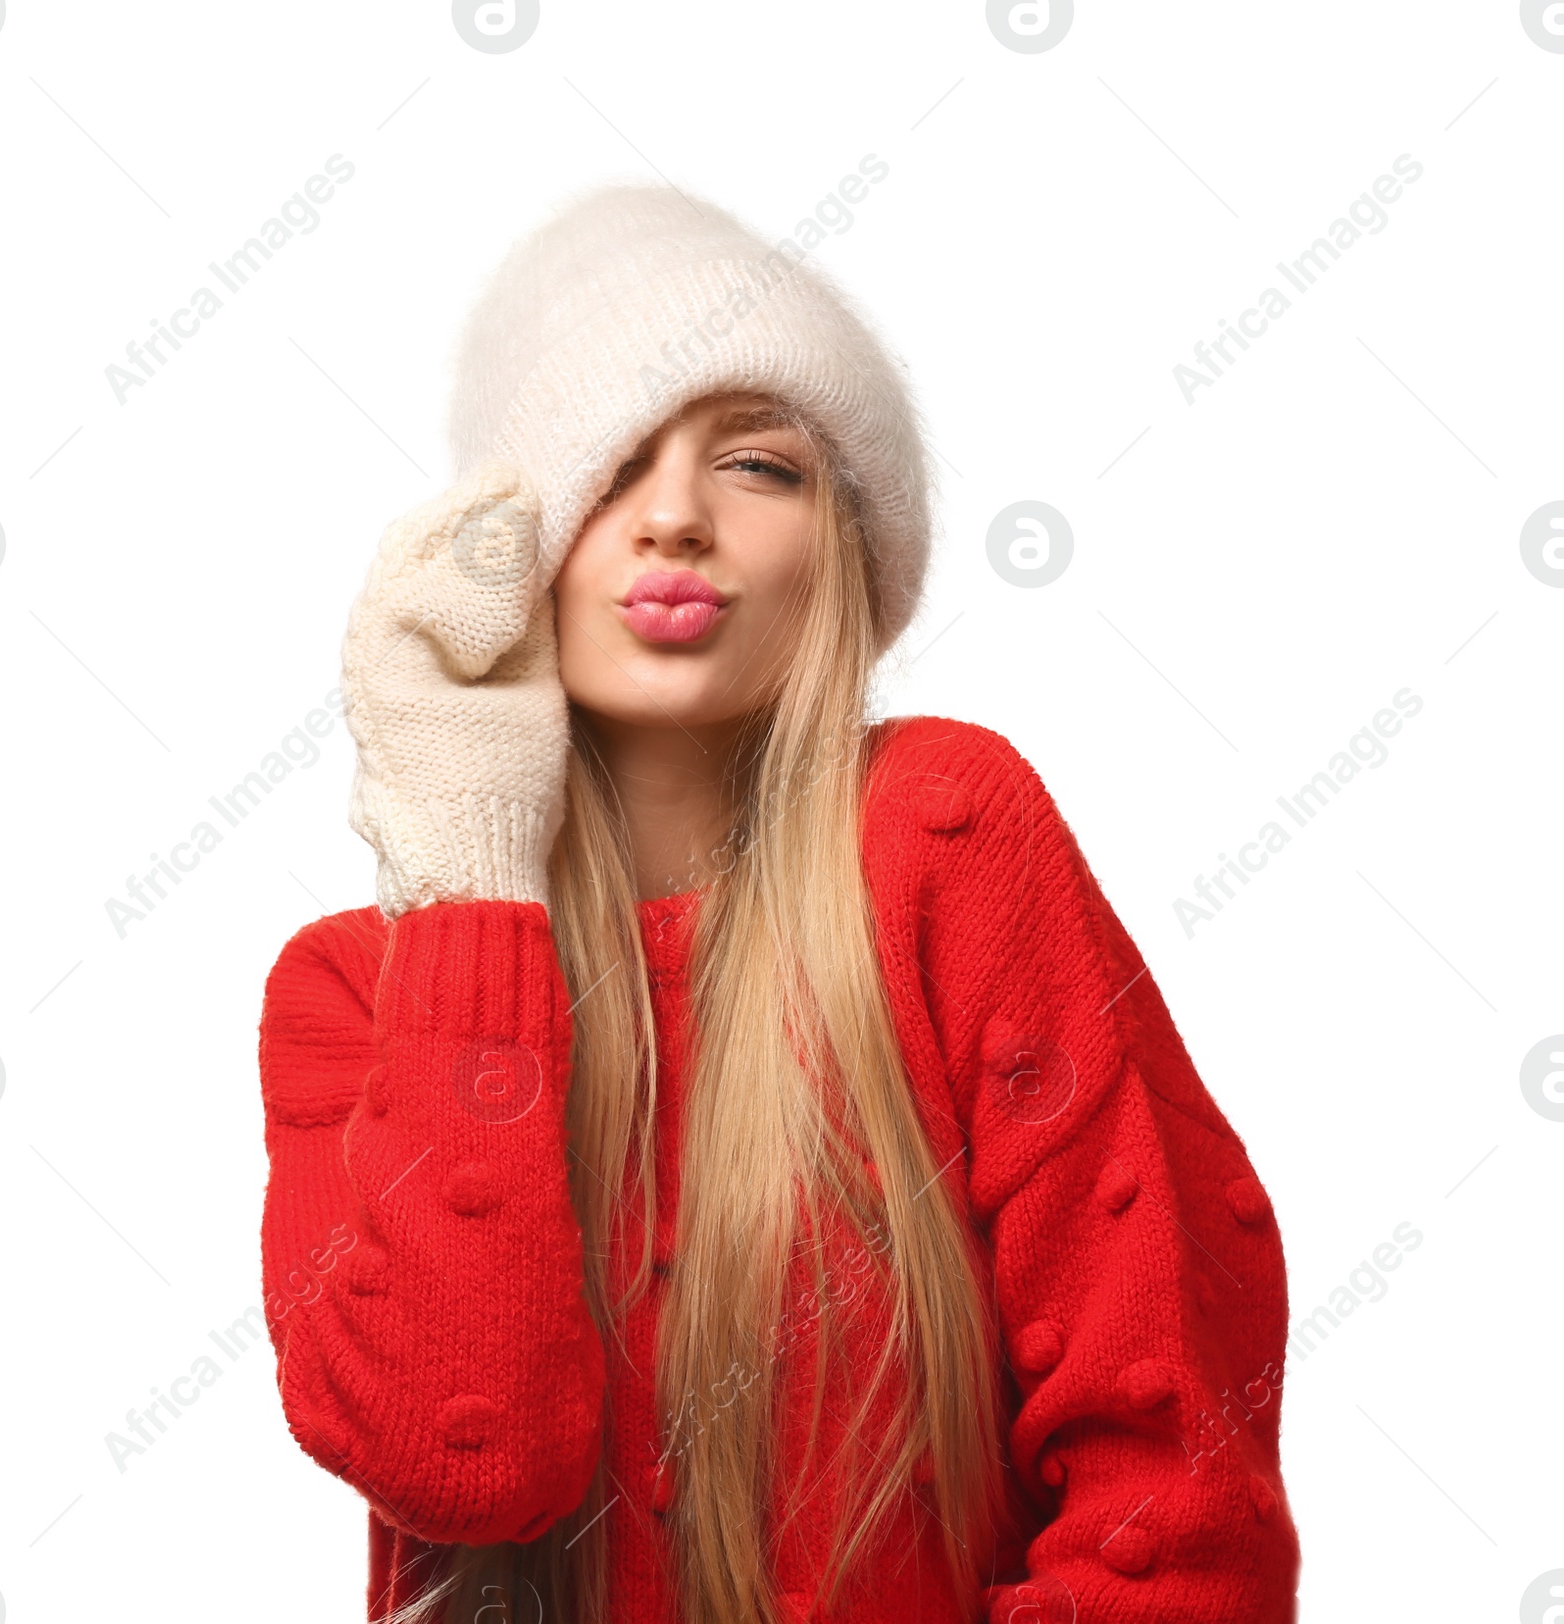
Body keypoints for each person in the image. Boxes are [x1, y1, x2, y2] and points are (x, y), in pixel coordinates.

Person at [257, 184, 1301, 1624]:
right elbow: (470, 1460)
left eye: (757, 464)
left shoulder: (946, 838)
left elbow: (1177, 1484)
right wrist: (471, 862)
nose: (676, 516)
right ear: (508, 555)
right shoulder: (359, 995)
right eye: (605, 470)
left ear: (844, 553)